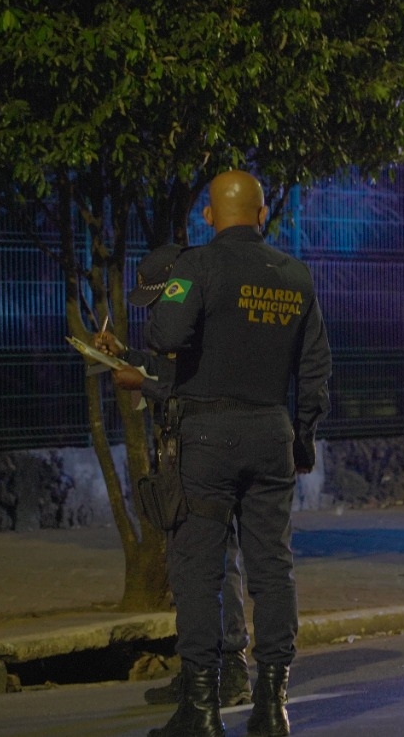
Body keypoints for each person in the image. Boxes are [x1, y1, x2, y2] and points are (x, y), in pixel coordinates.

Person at [143, 170, 332, 737]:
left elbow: (165, 335)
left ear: (209, 215)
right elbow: (316, 369)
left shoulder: (196, 265)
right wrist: (301, 437)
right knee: (273, 569)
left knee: (198, 570)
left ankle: (199, 710)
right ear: (259, 214)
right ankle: (272, 707)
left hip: (207, 437)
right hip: (272, 434)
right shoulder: (295, 276)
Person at [93, 244, 255, 709]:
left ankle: (226, 672)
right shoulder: (195, 313)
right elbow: (176, 368)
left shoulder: (207, 315)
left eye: (162, 297)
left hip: (209, 455)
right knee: (198, 567)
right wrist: (125, 356)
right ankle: (203, 672)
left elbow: (198, 386)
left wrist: (140, 382)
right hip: (198, 452)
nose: (162, 309)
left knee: (215, 564)